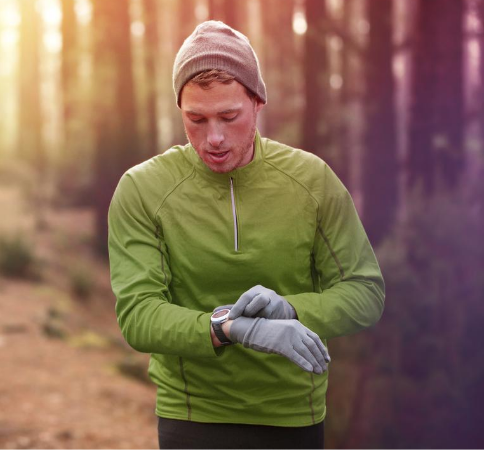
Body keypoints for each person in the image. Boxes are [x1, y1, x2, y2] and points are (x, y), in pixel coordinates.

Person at [107, 20, 385, 449]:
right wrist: (231, 328)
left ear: (257, 103)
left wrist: (290, 309)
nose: (213, 138)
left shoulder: (311, 180)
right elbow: (139, 315)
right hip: (192, 414)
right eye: (195, 119)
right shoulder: (143, 188)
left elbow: (366, 292)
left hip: (293, 416)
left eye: (229, 116)